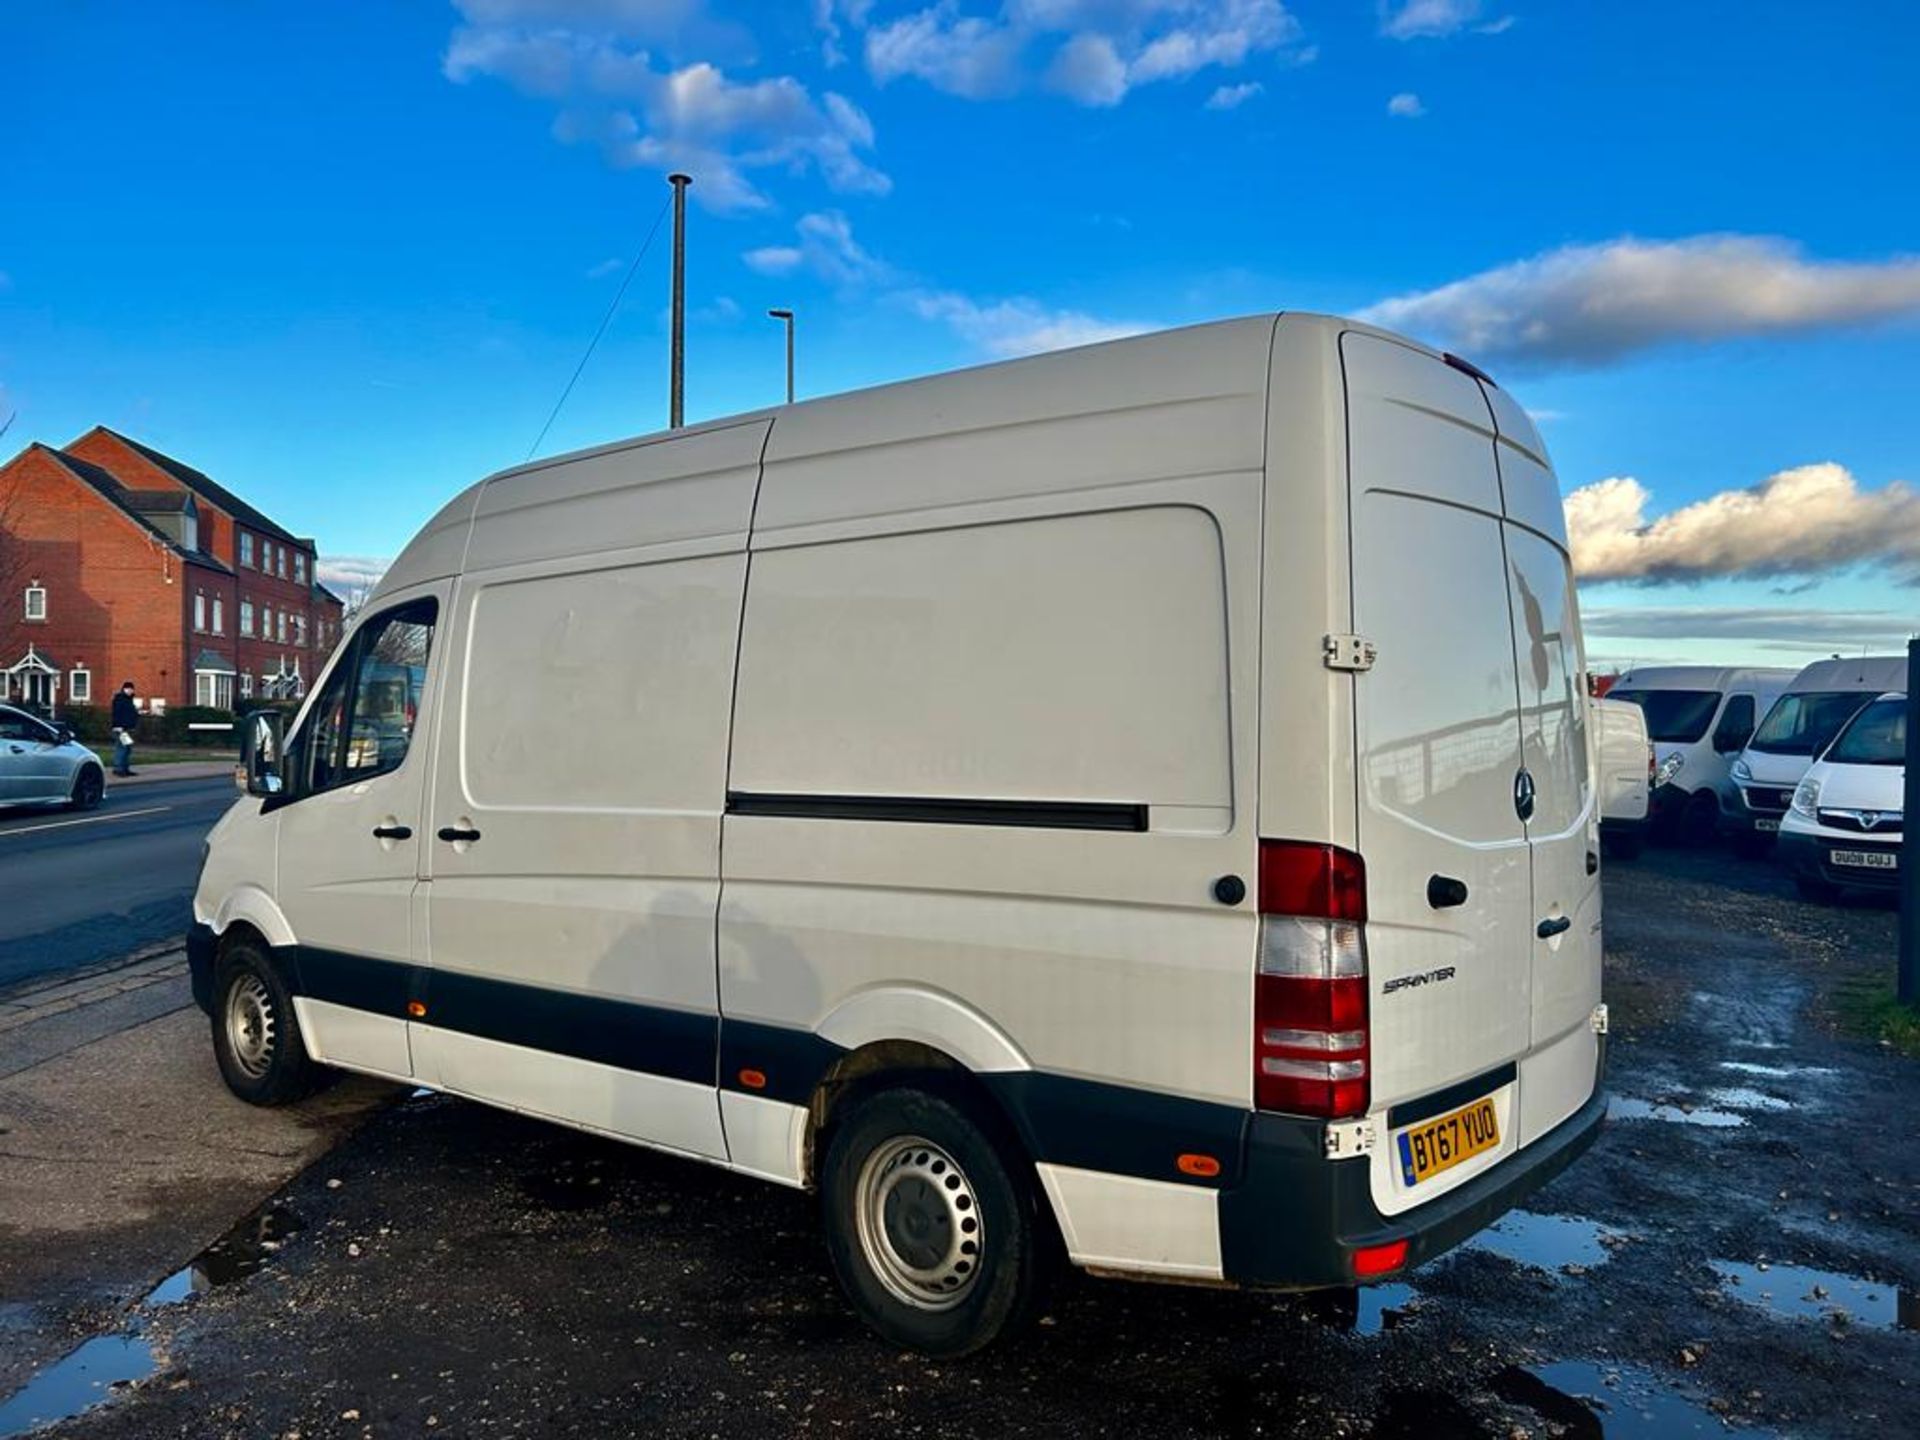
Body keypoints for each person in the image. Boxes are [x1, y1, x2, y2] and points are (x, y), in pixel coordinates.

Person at [111, 681, 140, 776]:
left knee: (127, 748)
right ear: (125, 689)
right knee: (122, 748)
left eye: (132, 689)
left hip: (127, 728)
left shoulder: (128, 699)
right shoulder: (120, 699)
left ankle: (125, 768)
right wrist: (117, 726)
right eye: (129, 689)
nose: (131, 691)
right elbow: (117, 714)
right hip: (121, 729)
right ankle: (118, 769)